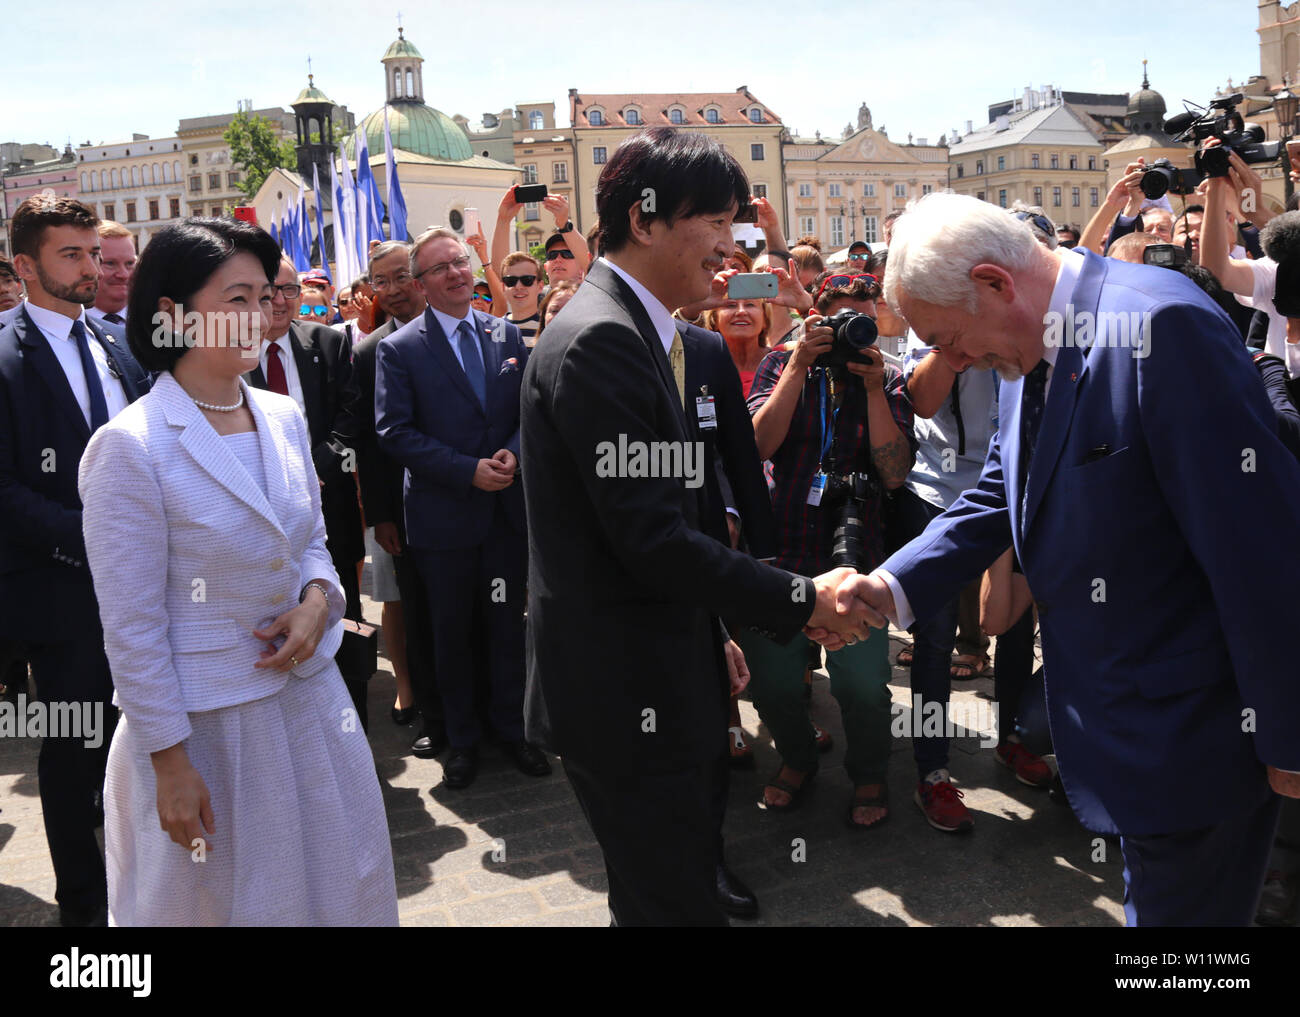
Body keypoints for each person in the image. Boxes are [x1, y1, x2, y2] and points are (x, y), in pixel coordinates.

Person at [828, 191, 1300, 926]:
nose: (952, 362)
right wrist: (890, 585)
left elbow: (1259, 545)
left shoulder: (1159, 327)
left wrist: (1288, 731)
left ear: (993, 283)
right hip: (1128, 734)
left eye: (949, 338)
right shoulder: (1027, 345)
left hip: (1196, 740)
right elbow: (1000, 492)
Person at [520, 126, 875, 926]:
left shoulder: (642, 331)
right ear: (645, 222)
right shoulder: (604, 340)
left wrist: (711, 627)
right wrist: (800, 598)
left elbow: (660, 522)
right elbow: (650, 540)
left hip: (657, 667)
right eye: (713, 221)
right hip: (623, 694)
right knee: (671, 905)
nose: (730, 244)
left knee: (662, 895)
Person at [77, 217, 397, 926]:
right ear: (171, 314)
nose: (259, 316)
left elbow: (312, 540)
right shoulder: (129, 448)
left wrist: (320, 600)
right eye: (236, 298)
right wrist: (169, 762)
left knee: (337, 887)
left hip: (310, 706)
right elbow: (131, 625)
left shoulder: (282, 417)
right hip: (206, 731)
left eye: (265, 296)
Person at [0, 195, 152, 926]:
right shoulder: (3, 357)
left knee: (155, 733)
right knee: (74, 752)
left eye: (94, 254)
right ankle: (84, 906)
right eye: (73, 254)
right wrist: (92, 537)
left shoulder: (118, 345)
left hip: (153, 586)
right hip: (62, 597)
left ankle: (155, 886)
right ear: (24, 265)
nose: (92, 268)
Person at [741, 272, 915, 830]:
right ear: (817, 317)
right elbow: (758, 446)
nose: (850, 333)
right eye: (840, 318)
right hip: (782, 544)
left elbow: (894, 473)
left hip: (856, 550)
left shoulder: (884, 377)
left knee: (863, 682)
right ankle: (795, 758)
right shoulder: (782, 361)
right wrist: (797, 365)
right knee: (772, 678)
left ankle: (869, 771)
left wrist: (871, 390)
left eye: (861, 320)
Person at [375, 227, 546, 789]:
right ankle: (461, 740)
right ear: (421, 284)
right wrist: (465, 469)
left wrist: (514, 457)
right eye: (440, 268)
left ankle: (512, 731)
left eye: (460, 262)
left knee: (505, 626)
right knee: (451, 632)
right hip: (444, 520)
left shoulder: (506, 337)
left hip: (504, 516)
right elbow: (394, 433)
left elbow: (530, 414)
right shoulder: (399, 349)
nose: (455, 273)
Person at [245, 257, 367, 726]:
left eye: (290, 289)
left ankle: (352, 722)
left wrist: (314, 470)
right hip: (263, 521)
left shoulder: (328, 343)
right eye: (269, 290)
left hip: (330, 507)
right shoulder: (231, 351)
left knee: (343, 615)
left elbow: (351, 418)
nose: (280, 300)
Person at [352, 240, 444, 758]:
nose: (390, 291)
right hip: (405, 515)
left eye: (399, 277)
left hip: (467, 502)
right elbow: (370, 442)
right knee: (415, 612)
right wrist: (382, 515)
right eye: (379, 282)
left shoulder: (468, 331)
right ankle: (430, 709)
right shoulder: (369, 353)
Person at [86, 220, 135, 329]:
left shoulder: (159, 323)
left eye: (129, 263)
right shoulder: (69, 326)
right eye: (110, 263)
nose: (124, 275)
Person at [499, 251, 545, 345]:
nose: (518, 286)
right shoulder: (492, 329)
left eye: (527, 280)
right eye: (511, 281)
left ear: (540, 286)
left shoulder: (548, 328)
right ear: (503, 287)